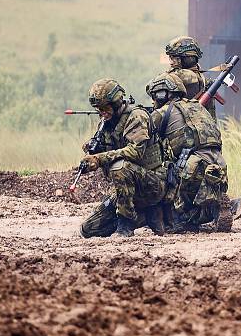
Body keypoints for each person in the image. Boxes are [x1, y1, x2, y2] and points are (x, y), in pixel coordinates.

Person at [146, 71, 232, 233]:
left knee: (156, 168)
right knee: (200, 195)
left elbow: (143, 143)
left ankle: (180, 219)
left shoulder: (162, 113)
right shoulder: (199, 108)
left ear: (162, 94)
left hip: (191, 170)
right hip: (218, 167)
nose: (153, 101)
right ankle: (216, 206)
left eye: (154, 96)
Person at [79, 79, 167, 238]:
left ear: (116, 102)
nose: (102, 112)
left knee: (119, 167)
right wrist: (92, 151)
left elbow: (135, 152)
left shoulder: (136, 116)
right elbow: (108, 151)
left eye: (105, 107)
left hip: (151, 185)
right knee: (88, 229)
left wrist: (99, 158)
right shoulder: (106, 122)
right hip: (125, 191)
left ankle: (126, 225)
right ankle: (145, 217)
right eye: (98, 108)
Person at [164, 35, 216, 117]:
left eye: (174, 58)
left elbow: (151, 86)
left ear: (186, 58)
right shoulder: (203, 79)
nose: (171, 62)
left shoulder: (179, 76)